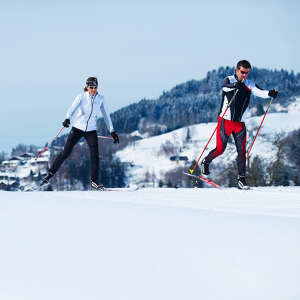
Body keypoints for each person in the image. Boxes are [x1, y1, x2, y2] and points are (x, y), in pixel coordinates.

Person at [200, 60, 278, 190]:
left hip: (240, 124)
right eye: (242, 72)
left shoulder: (249, 84)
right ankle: (206, 161)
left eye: (247, 73)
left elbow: (260, 92)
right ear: (237, 70)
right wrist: (236, 85)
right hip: (226, 121)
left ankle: (242, 180)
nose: (244, 75)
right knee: (220, 149)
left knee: (242, 152)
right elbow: (225, 87)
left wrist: (270, 93)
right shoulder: (229, 80)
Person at [41, 77, 119, 190]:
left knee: (95, 155)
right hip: (78, 128)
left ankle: (94, 182)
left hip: (91, 130)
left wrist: (112, 131)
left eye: (95, 87)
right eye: (91, 87)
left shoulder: (101, 99)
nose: (93, 89)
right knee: (66, 152)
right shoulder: (81, 97)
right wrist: (67, 118)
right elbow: (71, 109)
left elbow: (106, 116)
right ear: (87, 87)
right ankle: (50, 174)